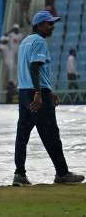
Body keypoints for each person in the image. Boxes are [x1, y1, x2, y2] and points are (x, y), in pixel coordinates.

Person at [12, 10, 84, 186]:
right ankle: (62, 174)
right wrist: (39, 93)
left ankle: (19, 174)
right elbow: (35, 67)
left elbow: (33, 70)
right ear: (39, 25)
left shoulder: (25, 43)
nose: (52, 27)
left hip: (24, 93)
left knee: (22, 135)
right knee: (51, 133)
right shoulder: (39, 41)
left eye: (53, 23)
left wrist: (48, 91)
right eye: (49, 23)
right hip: (35, 93)